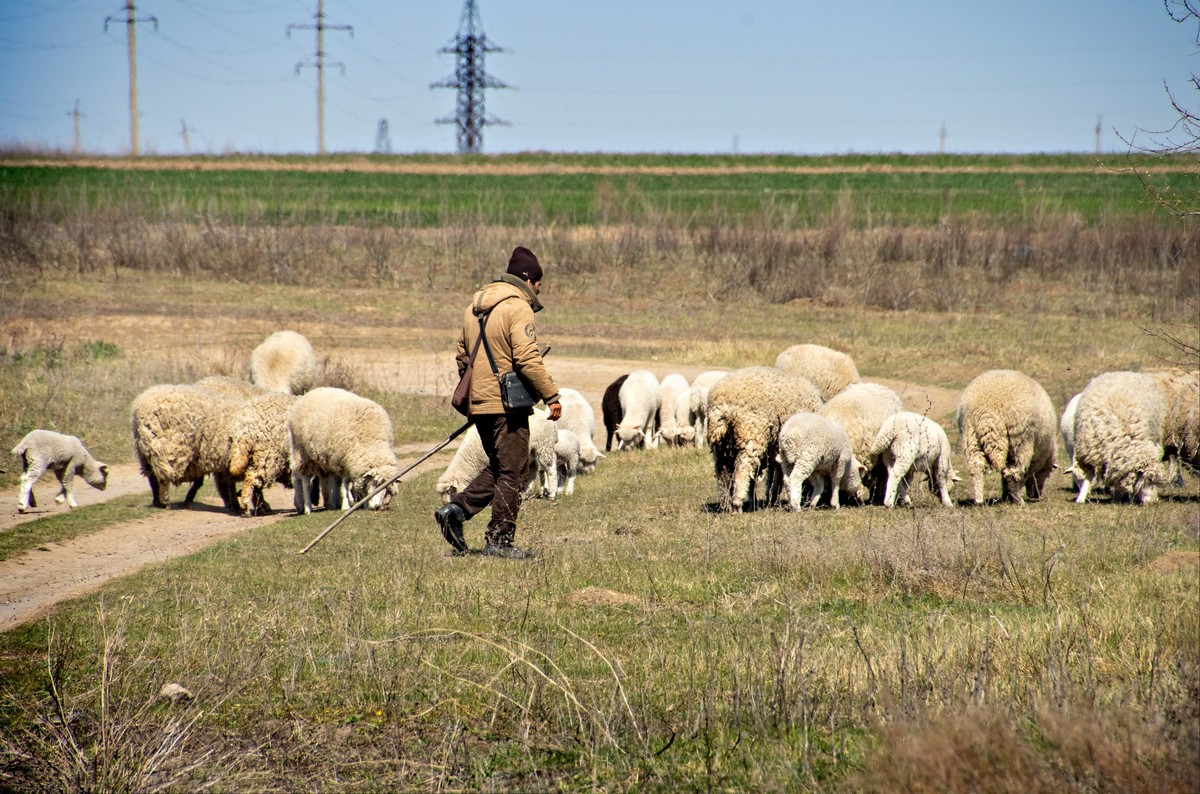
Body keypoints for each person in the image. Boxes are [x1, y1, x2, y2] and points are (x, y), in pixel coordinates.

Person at [435, 246, 562, 558]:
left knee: (501, 466)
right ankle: (499, 541)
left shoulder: (473, 308)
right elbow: (527, 358)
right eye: (538, 285)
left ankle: (456, 511)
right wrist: (552, 396)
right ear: (529, 279)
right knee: (515, 472)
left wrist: (479, 392)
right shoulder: (517, 308)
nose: (538, 292)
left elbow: (462, 356)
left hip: (480, 403)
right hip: (509, 404)